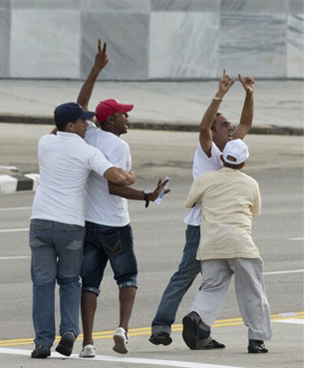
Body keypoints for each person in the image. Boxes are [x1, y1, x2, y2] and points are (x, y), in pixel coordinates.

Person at [74, 39, 170, 358]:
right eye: (123, 116)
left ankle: (87, 342)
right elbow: (115, 187)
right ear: (111, 119)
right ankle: (122, 329)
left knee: (89, 284)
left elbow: (80, 102)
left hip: (89, 224)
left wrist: (96, 69)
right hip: (115, 225)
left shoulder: (88, 134)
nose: (127, 119)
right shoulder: (120, 147)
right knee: (127, 277)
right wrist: (146, 194)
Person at [149, 69, 255, 348]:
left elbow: (246, 122)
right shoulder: (208, 150)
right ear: (213, 131)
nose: (230, 128)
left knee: (215, 280)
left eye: (229, 125)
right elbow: (203, 127)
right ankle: (161, 326)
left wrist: (249, 93)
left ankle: (200, 333)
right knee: (186, 274)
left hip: (221, 226)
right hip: (201, 226)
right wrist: (219, 94)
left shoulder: (233, 148)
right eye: (223, 125)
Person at [29, 102, 135, 359]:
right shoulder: (87, 151)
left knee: (42, 284)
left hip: (40, 222)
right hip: (71, 225)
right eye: (82, 121)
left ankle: (43, 343)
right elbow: (116, 178)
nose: (87, 124)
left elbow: (55, 132)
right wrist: (131, 176)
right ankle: (68, 332)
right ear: (70, 124)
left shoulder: (44, 143)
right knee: (68, 281)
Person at [182, 139, 272, 353]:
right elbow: (255, 211)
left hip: (211, 243)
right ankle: (256, 340)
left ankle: (197, 315)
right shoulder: (250, 183)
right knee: (252, 290)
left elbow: (190, 201)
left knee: (212, 285)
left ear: (222, 158)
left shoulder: (206, 179)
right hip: (240, 243)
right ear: (243, 164)